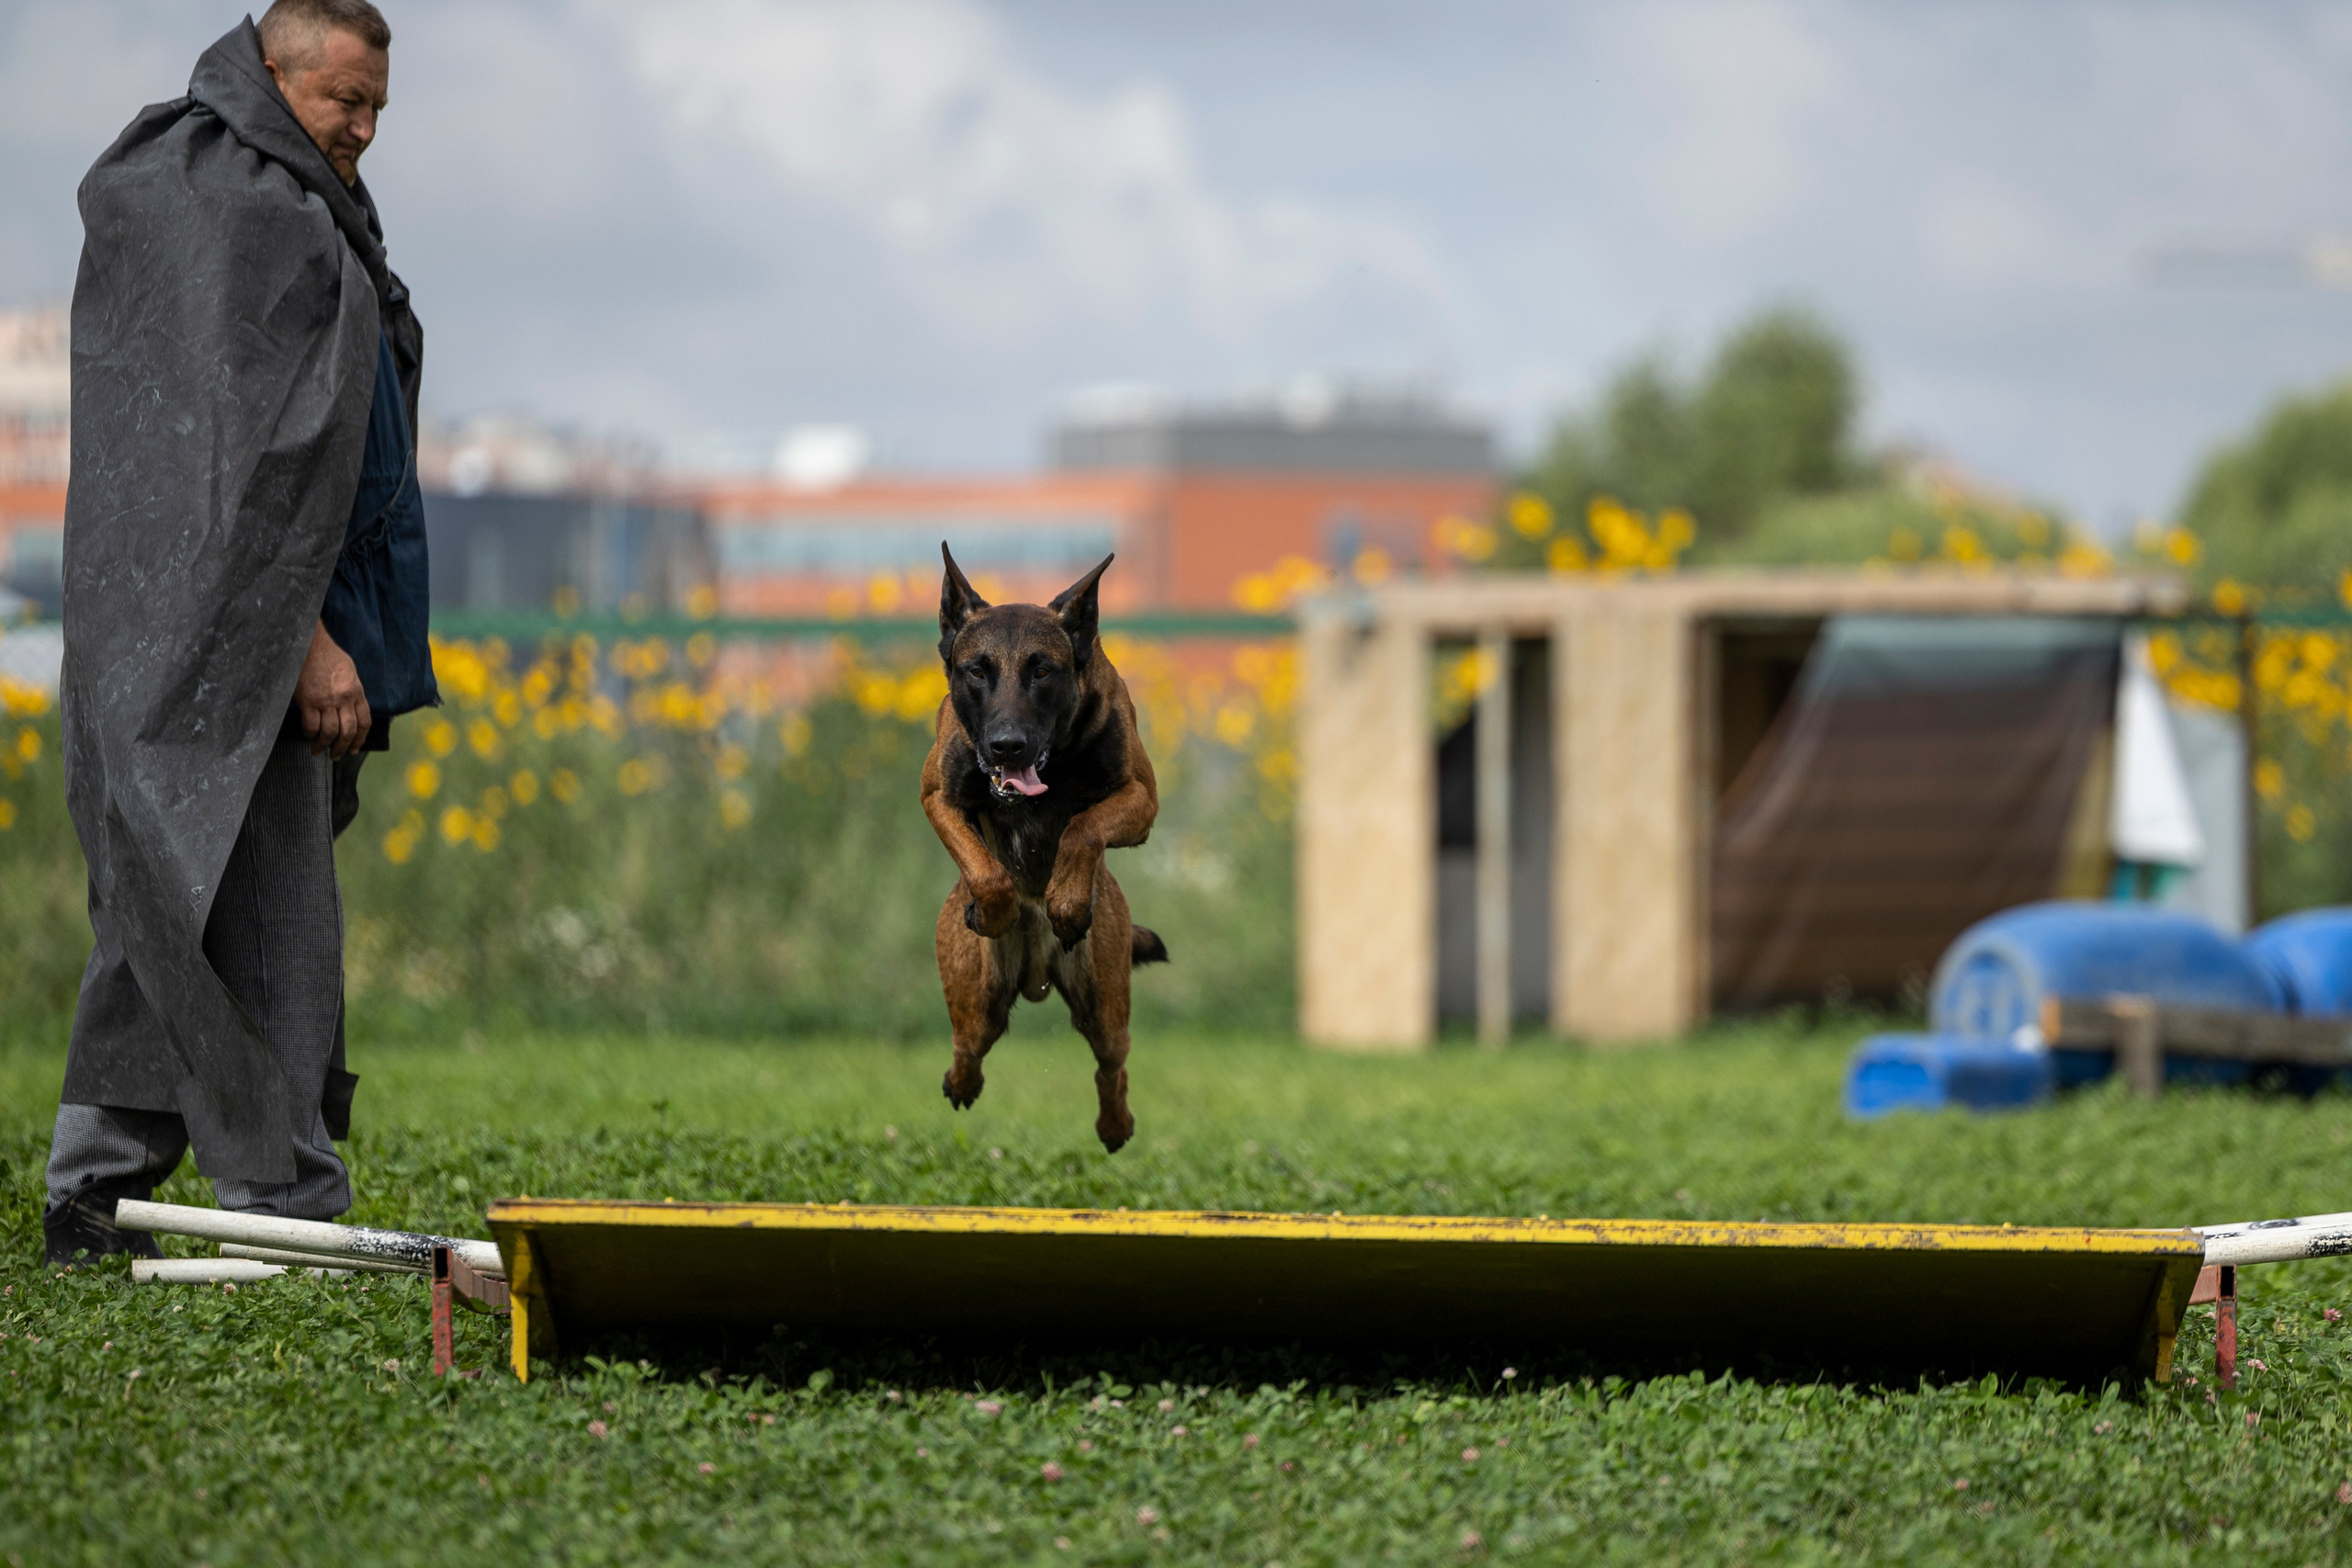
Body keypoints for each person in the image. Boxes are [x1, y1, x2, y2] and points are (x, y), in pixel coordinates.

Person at [43, 0, 436, 1261]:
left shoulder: (282, 187)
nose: (365, 131)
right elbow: (225, 466)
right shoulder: (222, 200)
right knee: (266, 910)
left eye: (378, 107)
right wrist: (309, 638)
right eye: (345, 103)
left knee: (173, 892)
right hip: (221, 634)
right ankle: (286, 1202)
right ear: (273, 74)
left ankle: (93, 1189)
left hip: (231, 623)